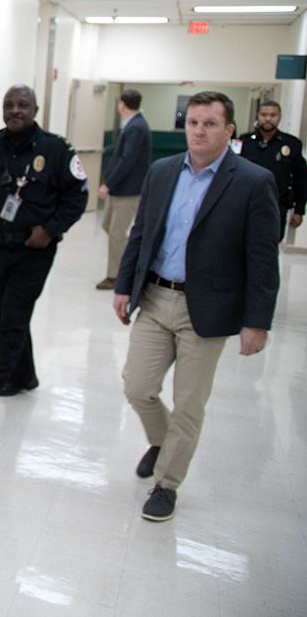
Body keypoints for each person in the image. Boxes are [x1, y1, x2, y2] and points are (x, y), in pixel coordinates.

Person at [113, 91, 280, 522]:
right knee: (137, 386)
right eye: (192, 123)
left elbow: (263, 260)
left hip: (206, 309)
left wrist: (256, 322)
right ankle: (161, 440)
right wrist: (124, 286)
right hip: (155, 296)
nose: (199, 131)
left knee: (188, 403)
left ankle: (166, 484)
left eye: (210, 124)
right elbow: (143, 232)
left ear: (229, 131)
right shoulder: (163, 172)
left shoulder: (252, 181)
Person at [0, 85, 88, 426]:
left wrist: (49, 229)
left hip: (35, 251)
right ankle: (25, 376)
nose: (15, 110)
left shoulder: (56, 149)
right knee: (12, 315)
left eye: (22, 104)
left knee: (12, 318)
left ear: (35, 109)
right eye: (9, 105)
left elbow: (77, 197)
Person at [96, 89, 150, 290]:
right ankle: (127, 265)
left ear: (121, 104)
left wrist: (108, 184)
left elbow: (127, 160)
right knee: (108, 227)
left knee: (117, 233)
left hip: (127, 191)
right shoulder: (132, 125)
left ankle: (116, 276)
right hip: (120, 189)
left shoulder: (136, 127)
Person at [234, 99, 307, 241]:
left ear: (279, 117)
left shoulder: (292, 144)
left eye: (273, 115)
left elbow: (301, 178)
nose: (268, 118)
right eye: (264, 114)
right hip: (244, 206)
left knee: (270, 248)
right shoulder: (244, 141)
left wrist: (299, 210)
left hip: (276, 206)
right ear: (258, 116)